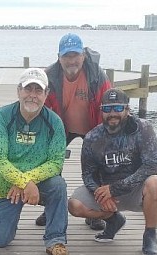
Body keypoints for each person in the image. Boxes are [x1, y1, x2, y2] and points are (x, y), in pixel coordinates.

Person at [69, 88, 157, 255]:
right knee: (74, 205)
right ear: (101, 111)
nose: (112, 113)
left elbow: (152, 166)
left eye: (118, 108)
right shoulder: (92, 137)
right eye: (107, 109)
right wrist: (100, 194)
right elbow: (88, 175)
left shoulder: (143, 128)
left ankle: (150, 234)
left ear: (127, 110)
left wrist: (114, 189)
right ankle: (113, 220)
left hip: (136, 190)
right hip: (106, 192)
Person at [0, 68, 70, 255]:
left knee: (58, 185)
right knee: (0, 240)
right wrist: (24, 182)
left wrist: (26, 181)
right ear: (18, 91)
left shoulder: (54, 123)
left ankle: (55, 240)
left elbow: (56, 163)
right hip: (4, 187)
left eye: (38, 91)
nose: (32, 95)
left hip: (37, 183)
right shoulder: (1, 117)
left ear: (46, 94)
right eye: (28, 89)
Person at [35, 32, 112, 231]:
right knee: (51, 165)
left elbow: (109, 104)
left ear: (83, 56)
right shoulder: (49, 76)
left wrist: (109, 134)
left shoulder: (96, 74)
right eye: (66, 56)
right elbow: (41, 107)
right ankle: (49, 207)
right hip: (62, 127)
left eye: (75, 55)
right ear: (59, 57)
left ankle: (94, 213)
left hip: (93, 127)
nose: (71, 60)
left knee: (97, 168)